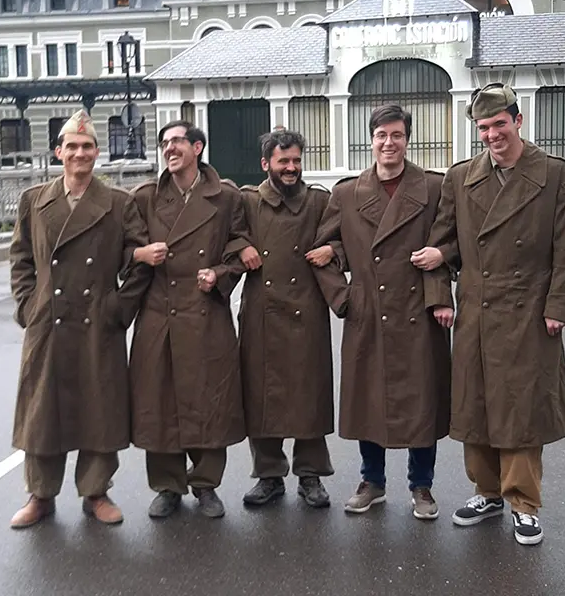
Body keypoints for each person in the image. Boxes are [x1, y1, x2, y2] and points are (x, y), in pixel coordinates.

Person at [415, 83, 565, 546]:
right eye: (484, 127)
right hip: (476, 309)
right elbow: (441, 242)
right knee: (476, 406)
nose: (492, 135)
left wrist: (559, 306)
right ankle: (487, 492)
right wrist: (440, 296)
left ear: (518, 121)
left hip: (529, 311)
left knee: (521, 409)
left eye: (499, 125)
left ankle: (523, 502)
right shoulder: (461, 177)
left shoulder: (555, 176)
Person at [8, 110, 151, 529]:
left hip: (96, 321)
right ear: (59, 152)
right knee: (42, 412)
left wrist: (117, 308)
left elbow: (140, 260)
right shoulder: (35, 200)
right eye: (72, 146)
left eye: (87, 147)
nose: (79, 153)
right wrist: (27, 305)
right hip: (48, 323)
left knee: (99, 409)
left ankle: (96, 492)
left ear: (97, 153)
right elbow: (20, 258)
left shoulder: (118, 204)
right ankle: (40, 495)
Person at [313, 104, 453, 520]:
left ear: (407, 140)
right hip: (368, 312)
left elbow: (452, 242)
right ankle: (372, 481)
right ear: (370, 140)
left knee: (421, 400)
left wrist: (441, 271)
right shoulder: (347, 193)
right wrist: (345, 299)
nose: (388, 143)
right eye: (381, 136)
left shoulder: (433, 188)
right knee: (368, 399)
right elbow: (323, 253)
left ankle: (421, 485)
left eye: (396, 135)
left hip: (417, 311)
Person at [128, 120, 252, 519]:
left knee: (209, 400)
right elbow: (123, 245)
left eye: (178, 141)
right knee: (160, 402)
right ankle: (167, 485)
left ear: (198, 147)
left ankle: (206, 485)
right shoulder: (146, 197)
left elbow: (241, 247)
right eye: (164, 143)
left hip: (205, 313)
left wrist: (219, 273)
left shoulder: (227, 197)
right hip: (159, 313)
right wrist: (140, 255)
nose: (169, 149)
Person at [236, 130, 337, 509]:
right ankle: (268, 476)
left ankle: (311, 476)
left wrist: (333, 248)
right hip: (262, 310)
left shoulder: (319, 202)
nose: (291, 168)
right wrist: (241, 246)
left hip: (307, 310)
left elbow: (346, 237)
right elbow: (227, 236)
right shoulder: (247, 201)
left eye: (296, 160)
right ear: (266, 164)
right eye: (283, 162)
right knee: (261, 394)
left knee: (307, 393)